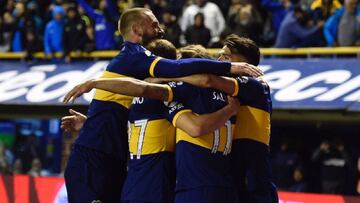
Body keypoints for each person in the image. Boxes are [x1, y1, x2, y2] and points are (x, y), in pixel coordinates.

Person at [62, 7, 262, 203]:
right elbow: (180, 76)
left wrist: (90, 121)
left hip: (119, 167)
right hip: (103, 162)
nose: (161, 30)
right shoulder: (136, 57)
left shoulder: (143, 83)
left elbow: (139, 97)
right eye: (154, 25)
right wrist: (229, 67)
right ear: (137, 31)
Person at [149, 34, 278, 203]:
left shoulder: (254, 84)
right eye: (219, 55)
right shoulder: (228, 93)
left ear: (245, 63)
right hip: (236, 179)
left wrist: (168, 75)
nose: (220, 60)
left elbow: (208, 80)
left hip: (254, 181)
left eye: (226, 56)